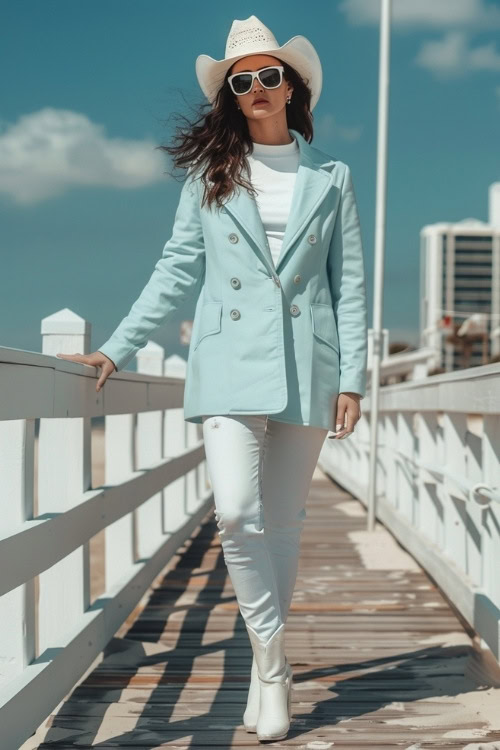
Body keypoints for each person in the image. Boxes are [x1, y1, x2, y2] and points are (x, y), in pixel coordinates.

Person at [56, 14, 368, 743]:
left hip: (310, 362)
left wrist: (352, 377)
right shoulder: (210, 174)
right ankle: (271, 660)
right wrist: (118, 348)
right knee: (234, 513)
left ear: (293, 86)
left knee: (284, 522)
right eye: (242, 80)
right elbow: (176, 270)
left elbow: (347, 284)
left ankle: (270, 667)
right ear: (230, 95)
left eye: (268, 76)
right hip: (228, 359)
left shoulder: (333, 176)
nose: (256, 88)